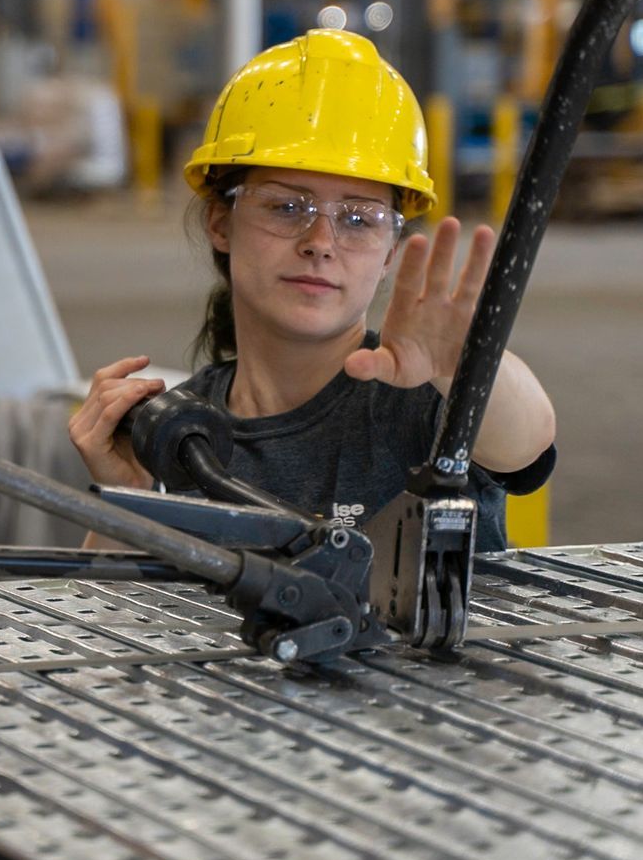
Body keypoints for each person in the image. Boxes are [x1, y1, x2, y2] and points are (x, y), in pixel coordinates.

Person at [68, 29, 556, 553]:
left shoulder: (420, 396)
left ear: (391, 252)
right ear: (220, 223)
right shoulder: (181, 432)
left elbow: (527, 448)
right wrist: (125, 498)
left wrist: (468, 369)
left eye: (358, 219)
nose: (320, 243)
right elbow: (114, 615)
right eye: (285, 207)